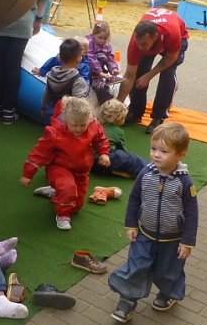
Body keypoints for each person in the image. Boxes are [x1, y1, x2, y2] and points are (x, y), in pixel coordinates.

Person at [108, 122, 198, 323]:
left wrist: (187, 242)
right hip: (145, 234)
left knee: (168, 270)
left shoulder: (184, 182)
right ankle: (127, 301)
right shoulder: (145, 173)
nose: (156, 154)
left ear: (180, 155)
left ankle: (169, 293)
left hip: (172, 240)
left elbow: (192, 214)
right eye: (153, 149)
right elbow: (134, 199)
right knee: (136, 266)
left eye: (164, 151)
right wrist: (131, 224)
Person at [20, 96, 110, 230]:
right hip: (59, 167)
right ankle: (62, 215)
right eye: (75, 125)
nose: (79, 129)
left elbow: (100, 140)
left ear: (89, 120)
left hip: (81, 171)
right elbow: (38, 153)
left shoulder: (93, 127)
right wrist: (28, 174)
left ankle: (56, 192)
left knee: (76, 206)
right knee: (67, 190)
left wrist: (104, 153)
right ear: (66, 120)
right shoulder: (55, 133)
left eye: (82, 125)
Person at [118, 7, 189, 134]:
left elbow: (170, 58)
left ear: (155, 36)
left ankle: (158, 116)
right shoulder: (136, 44)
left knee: (167, 74)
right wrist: (117, 106)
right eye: (138, 43)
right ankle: (135, 111)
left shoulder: (171, 33)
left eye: (144, 44)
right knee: (139, 73)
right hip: (157, 37)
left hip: (177, 38)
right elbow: (129, 75)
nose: (140, 47)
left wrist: (149, 76)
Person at [0, 0, 50, 125]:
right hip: (23, 22)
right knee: (13, 67)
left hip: (0, 20)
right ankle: (9, 110)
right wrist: (39, 20)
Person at [92, 99, 147, 179]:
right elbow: (122, 148)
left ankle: (109, 171)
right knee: (130, 158)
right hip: (108, 160)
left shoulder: (96, 126)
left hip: (93, 162)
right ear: (120, 119)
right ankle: (150, 170)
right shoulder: (118, 131)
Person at [39, 38, 89, 122]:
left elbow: (46, 94)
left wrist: (43, 108)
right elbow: (80, 103)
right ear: (79, 59)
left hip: (50, 114)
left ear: (59, 58)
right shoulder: (77, 80)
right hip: (67, 119)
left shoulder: (51, 73)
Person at [86, 20, 121, 104]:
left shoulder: (107, 45)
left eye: (105, 38)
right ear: (94, 35)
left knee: (103, 85)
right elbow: (90, 58)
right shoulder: (89, 42)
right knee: (100, 57)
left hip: (99, 72)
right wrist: (100, 72)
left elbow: (110, 58)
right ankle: (102, 95)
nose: (102, 41)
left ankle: (104, 94)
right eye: (99, 37)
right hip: (87, 68)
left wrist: (114, 69)